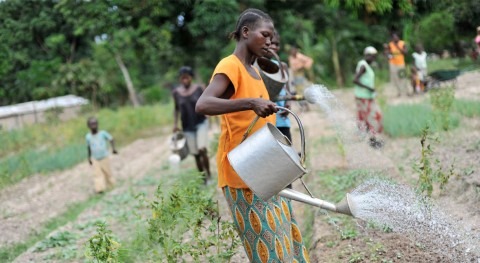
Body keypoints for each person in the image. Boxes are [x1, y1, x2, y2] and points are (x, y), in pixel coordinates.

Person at [196, 8, 310, 262]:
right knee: (269, 250)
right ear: (246, 33)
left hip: (265, 167)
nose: (269, 41)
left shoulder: (255, 71)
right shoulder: (230, 66)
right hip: (242, 173)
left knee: (287, 242)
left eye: (272, 37)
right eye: (265, 35)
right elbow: (203, 104)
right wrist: (250, 103)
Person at [172, 66, 211, 182]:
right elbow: (176, 109)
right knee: (195, 154)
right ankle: (203, 179)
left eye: (187, 77)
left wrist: (209, 113)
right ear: (180, 79)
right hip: (187, 127)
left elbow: (208, 101)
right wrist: (175, 124)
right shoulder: (176, 93)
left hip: (201, 122)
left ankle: (209, 175)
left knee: (202, 149)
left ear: (191, 78)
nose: (185, 80)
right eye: (182, 78)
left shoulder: (199, 89)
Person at [353, 47, 384, 149]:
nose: (373, 59)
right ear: (367, 55)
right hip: (363, 97)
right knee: (372, 118)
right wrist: (369, 88)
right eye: (372, 56)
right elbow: (355, 80)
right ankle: (372, 140)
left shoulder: (365, 65)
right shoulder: (363, 65)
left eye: (374, 57)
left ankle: (370, 138)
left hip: (366, 97)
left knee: (370, 118)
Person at [86, 117, 118, 193]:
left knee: (107, 172)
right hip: (95, 158)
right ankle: (99, 189)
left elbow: (111, 139)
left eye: (95, 124)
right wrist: (89, 158)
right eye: (91, 124)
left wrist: (113, 149)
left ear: (97, 124)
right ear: (88, 126)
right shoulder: (88, 137)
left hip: (104, 156)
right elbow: (88, 147)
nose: (93, 125)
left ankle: (111, 185)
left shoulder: (103, 133)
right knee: (97, 174)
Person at [288, 46, 313, 111]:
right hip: (295, 76)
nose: (292, 52)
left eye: (294, 51)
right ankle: (303, 106)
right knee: (297, 91)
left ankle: (305, 105)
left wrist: (304, 66)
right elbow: (292, 68)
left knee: (300, 91)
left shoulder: (300, 56)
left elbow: (309, 60)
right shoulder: (291, 58)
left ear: (296, 51)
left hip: (300, 75)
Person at [387, 32, 408, 96]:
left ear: (398, 37)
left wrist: (397, 46)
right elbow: (388, 52)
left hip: (401, 63)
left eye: (396, 37)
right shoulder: (390, 44)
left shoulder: (402, 43)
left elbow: (405, 53)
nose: (395, 38)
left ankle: (404, 91)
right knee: (395, 78)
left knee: (402, 77)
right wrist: (389, 55)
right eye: (393, 37)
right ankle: (398, 92)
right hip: (392, 63)